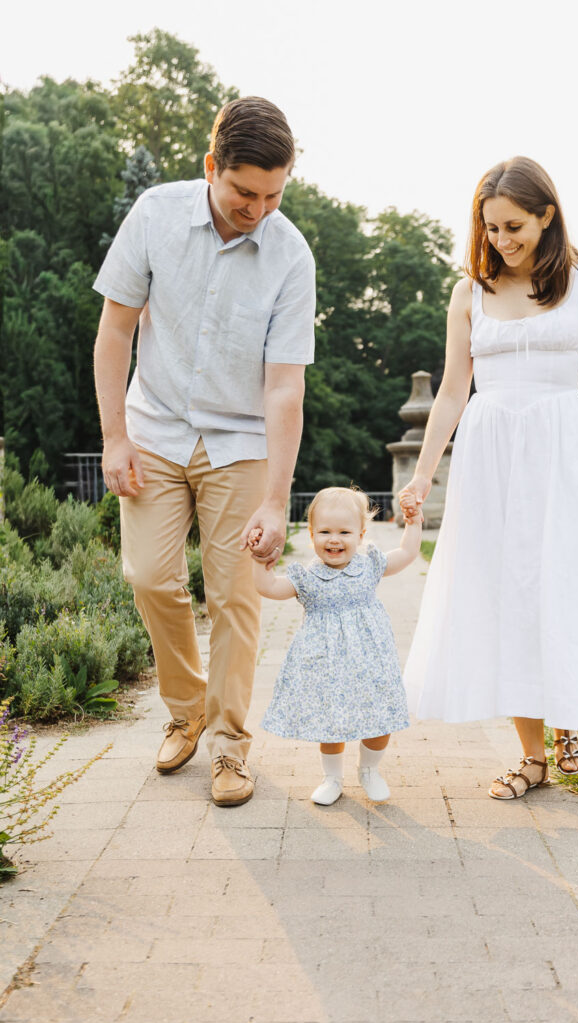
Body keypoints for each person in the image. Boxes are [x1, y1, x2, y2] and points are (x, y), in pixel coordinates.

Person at [93, 97, 316, 807]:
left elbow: (283, 388)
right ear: (211, 166)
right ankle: (187, 708)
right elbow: (114, 333)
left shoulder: (290, 254)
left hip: (240, 439)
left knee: (235, 595)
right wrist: (113, 437)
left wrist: (278, 500)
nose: (258, 209)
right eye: (244, 192)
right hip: (152, 426)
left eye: (274, 194)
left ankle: (228, 745)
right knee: (151, 576)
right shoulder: (156, 214)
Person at [399, 156, 578, 800]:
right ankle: (531, 755)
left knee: (560, 584)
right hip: (490, 451)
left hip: (561, 447)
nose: (501, 240)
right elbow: (452, 391)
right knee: (502, 594)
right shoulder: (467, 291)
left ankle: (569, 718)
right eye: (491, 229)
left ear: (546, 217)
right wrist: (422, 477)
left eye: (514, 226)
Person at [250, 487, 422, 805]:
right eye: (325, 531)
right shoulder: (308, 578)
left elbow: (407, 554)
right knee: (332, 722)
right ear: (312, 534)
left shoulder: (370, 565)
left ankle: (369, 770)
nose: (335, 539)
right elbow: (269, 588)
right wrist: (261, 559)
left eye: (345, 531)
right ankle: (332, 777)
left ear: (361, 534)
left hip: (371, 662)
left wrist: (413, 523)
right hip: (327, 664)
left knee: (379, 716)